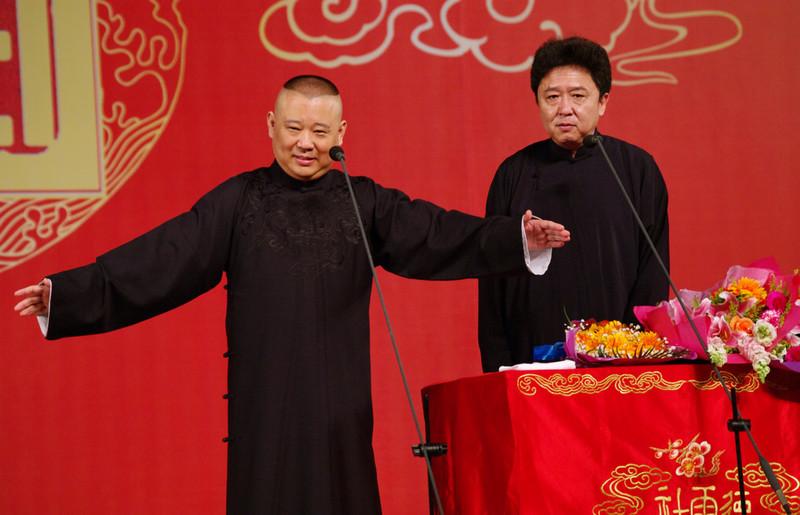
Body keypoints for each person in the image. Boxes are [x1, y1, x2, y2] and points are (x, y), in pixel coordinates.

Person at [14, 75, 570, 514]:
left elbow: (437, 233)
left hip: (340, 409)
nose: (306, 143)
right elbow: (164, 257)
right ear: (271, 125)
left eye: (320, 131)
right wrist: (69, 294)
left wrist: (515, 238)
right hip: (265, 408)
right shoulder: (239, 201)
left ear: (341, 132)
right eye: (294, 128)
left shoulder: (364, 201)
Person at [478, 36, 670, 372]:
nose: (564, 108)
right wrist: (499, 371)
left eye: (578, 96)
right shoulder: (512, 175)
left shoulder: (637, 170)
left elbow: (652, 281)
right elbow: (492, 290)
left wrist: (636, 360)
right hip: (531, 366)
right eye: (552, 97)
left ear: (603, 101)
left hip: (619, 366)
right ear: (538, 102)